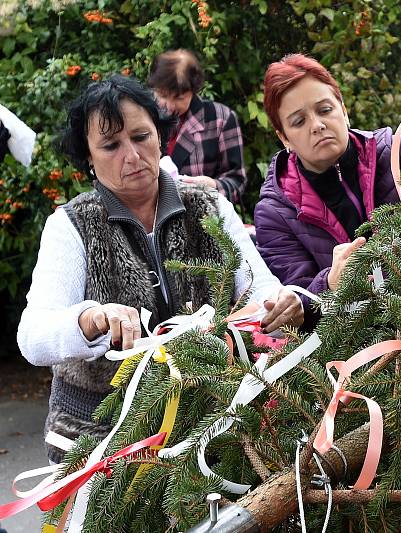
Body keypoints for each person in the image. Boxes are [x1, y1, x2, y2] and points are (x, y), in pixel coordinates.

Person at [16, 76, 302, 463]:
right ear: (88, 158)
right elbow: (33, 336)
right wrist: (88, 318)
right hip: (99, 440)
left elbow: (258, 288)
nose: (131, 156)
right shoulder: (71, 226)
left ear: (161, 137)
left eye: (141, 136)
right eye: (111, 145)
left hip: (207, 425)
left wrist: (282, 303)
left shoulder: (208, 206)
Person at [254, 54, 401, 326]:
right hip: (349, 351)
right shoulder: (275, 212)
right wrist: (329, 283)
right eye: (298, 121)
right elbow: (297, 298)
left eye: (324, 110)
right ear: (283, 136)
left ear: (343, 110)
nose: (317, 125)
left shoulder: (396, 154)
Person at [148, 49, 247, 203]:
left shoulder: (220, 119)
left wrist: (211, 187)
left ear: (194, 90)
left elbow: (237, 182)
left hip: (203, 219)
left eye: (179, 98)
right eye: (163, 95)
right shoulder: (144, 116)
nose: (169, 106)